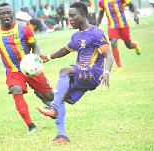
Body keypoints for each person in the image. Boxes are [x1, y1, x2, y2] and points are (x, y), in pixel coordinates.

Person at [37, 2, 114, 145]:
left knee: (65, 71)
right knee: (60, 98)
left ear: (83, 15)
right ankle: (62, 136)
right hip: (81, 75)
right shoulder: (76, 36)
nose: (70, 19)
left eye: (73, 16)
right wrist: (49, 57)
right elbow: (65, 50)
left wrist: (107, 72)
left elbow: (109, 55)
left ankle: (53, 108)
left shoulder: (96, 32)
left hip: (94, 73)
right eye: (69, 16)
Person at [0, 2, 54, 133]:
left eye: (8, 12)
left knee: (50, 97)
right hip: (13, 71)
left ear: (12, 14)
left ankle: (40, 94)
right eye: (3, 14)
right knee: (15, 90)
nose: (6, 15)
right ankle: (31, 126)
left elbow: (35, 45)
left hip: (30, 69)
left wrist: (35, 59)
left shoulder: (23, 28)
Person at [96, 0, 141, 73]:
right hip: (112, 26)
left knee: (129, 45)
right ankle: (119, 67)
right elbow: (101, 14)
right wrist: (95, 27)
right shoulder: (102, 2)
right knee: (113, 42)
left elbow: (132, 4)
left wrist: (135, 14)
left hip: (123, 25)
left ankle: (135, 45)